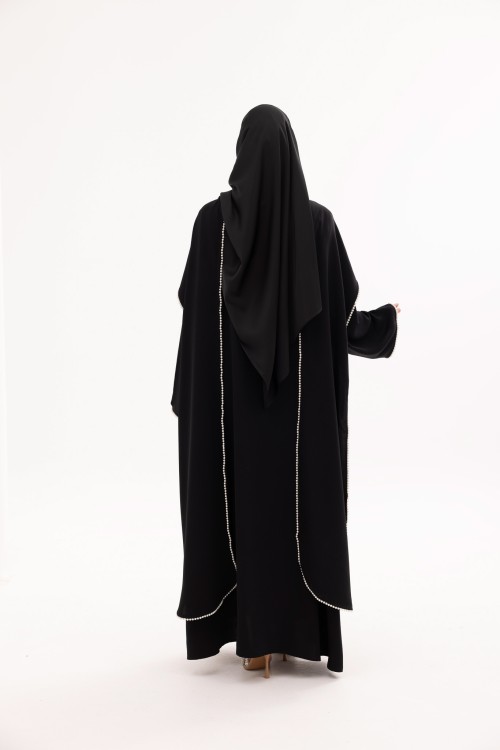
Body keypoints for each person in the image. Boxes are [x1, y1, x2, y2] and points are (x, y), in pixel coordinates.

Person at [170, 104, 401, 678]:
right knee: (297, 515)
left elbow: (193, 318)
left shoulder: (210, 227)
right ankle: (294, 633)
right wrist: (383, 325)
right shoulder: (317, 227)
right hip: (300, 428)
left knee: (237, 510)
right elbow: (339, 323)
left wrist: (188, 395)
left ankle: (251, 641)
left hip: (229, 420)